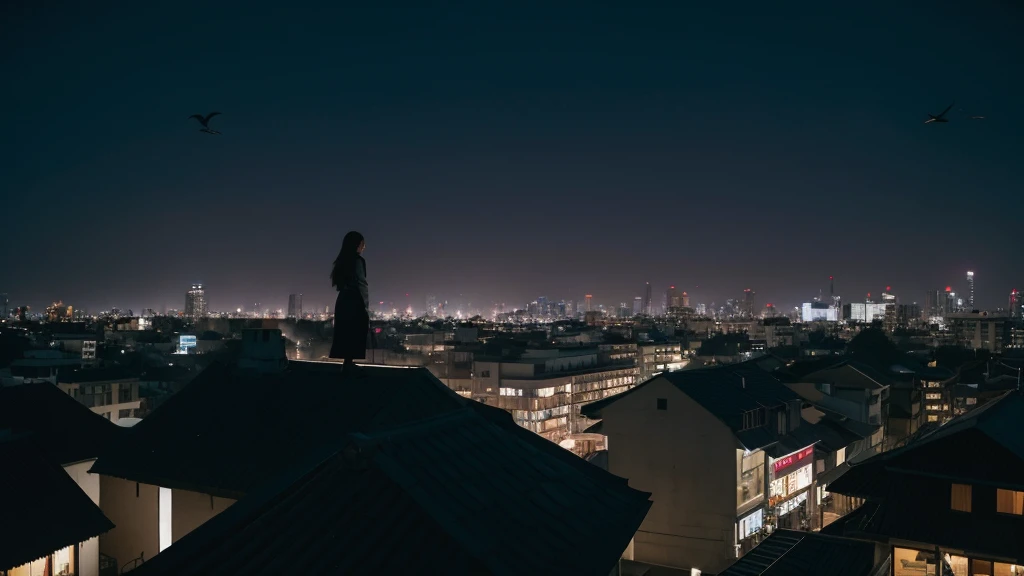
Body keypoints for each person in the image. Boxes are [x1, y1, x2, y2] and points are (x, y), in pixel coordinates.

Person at [329, 231, 370, 376]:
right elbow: (361, 284)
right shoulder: (358, 261)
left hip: (343, 300)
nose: (364, 247)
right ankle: (349, 364)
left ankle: (347, 363)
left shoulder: (342, 261)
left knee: (346, 331)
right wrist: (366, 305)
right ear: (356, 245)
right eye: (362, 244)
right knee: (355, 330)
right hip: (355, 300)